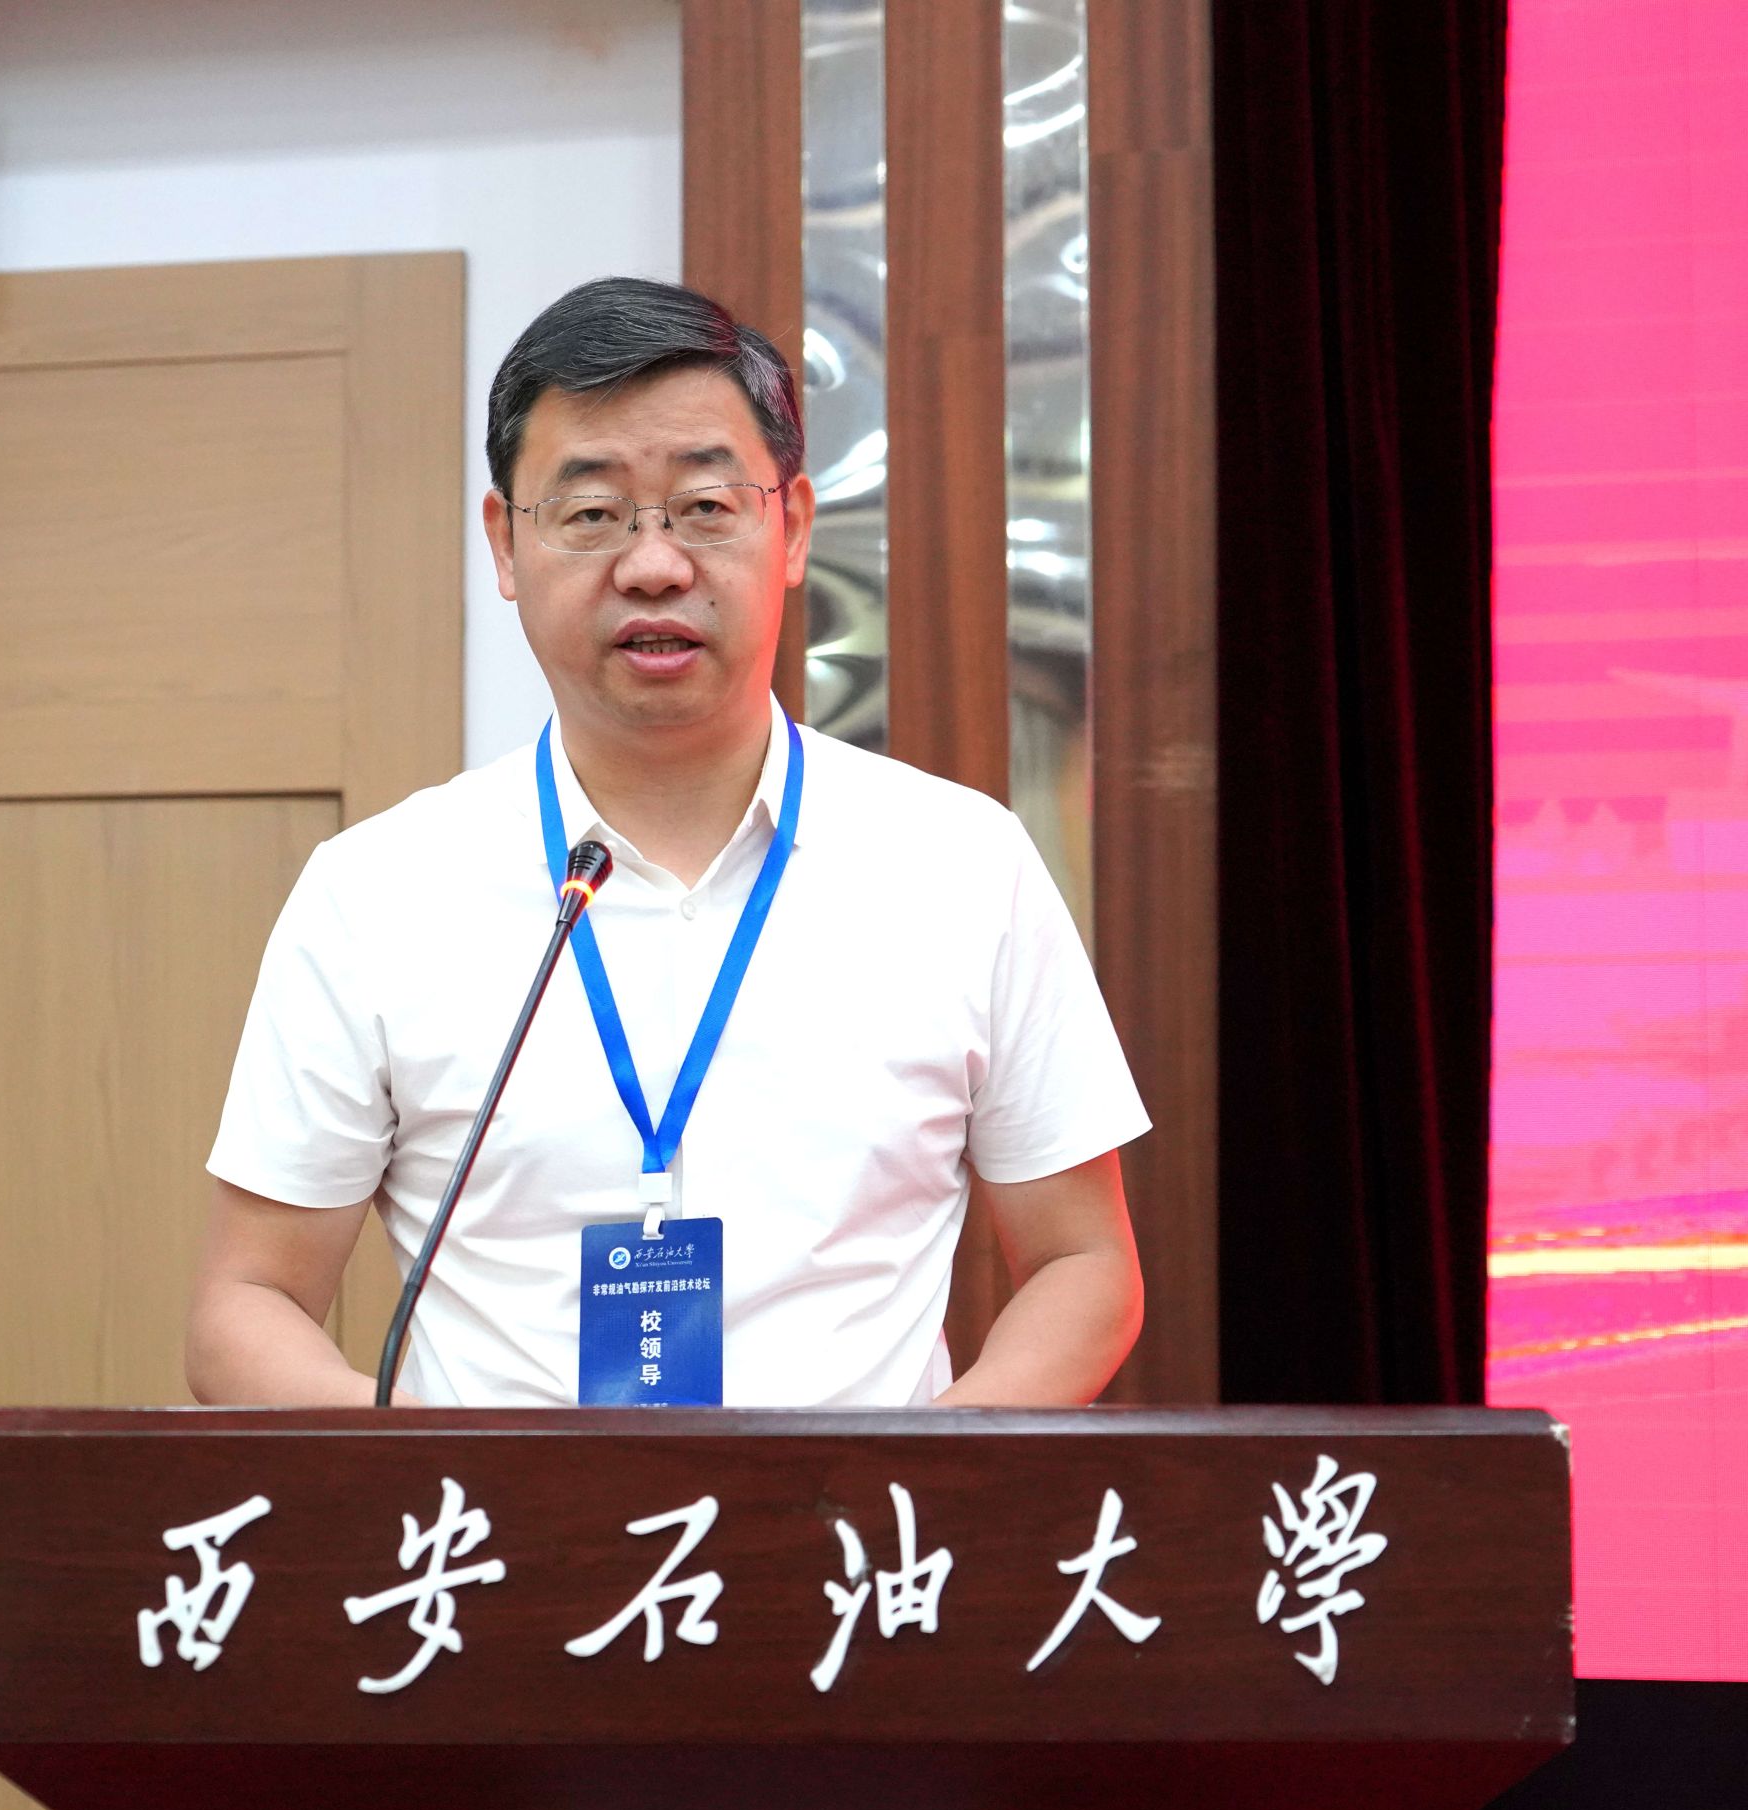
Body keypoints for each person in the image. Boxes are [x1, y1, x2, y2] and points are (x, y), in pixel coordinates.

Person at [187, 276, 1148, 1410]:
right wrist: (440, 1476)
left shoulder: (961, 866)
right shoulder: (378, 893)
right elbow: (247, 1303)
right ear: (506, 544)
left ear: (792, 528)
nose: (653, 565)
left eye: (703, 506)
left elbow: (1084, 1265)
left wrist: (907, 1477)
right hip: (503, 1524)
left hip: (846, 1520)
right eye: (592, 513)